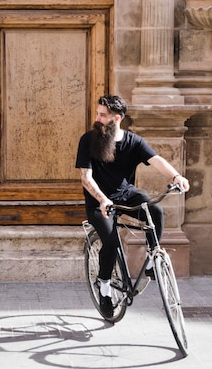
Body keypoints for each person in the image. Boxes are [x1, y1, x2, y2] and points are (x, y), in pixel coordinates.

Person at [75, 94, 190, 319]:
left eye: (103, 115)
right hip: (98, 201)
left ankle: (152, 259)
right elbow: (85, 177)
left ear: (116, 118)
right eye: (98, 113)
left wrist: (177, 177)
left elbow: (156, 160)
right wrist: (102, 199)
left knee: (155, 211)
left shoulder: (133, 142)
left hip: (126, 194)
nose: (97, 118)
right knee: (110, 242)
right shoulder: (88, 140)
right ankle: (105, 289)